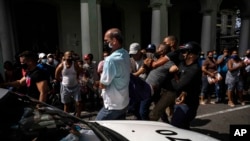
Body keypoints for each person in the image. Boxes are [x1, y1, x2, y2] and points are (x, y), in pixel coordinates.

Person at [95, 28, 131, 120]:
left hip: (113, 105)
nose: (105, 43)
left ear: (114, 41)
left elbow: (103, 84)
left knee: (97, 127)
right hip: (124, 102)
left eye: (106, 41)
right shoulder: (125, 53)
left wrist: (98, 82)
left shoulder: (110, 60)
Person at [170, 41, 202, 129]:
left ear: (191, 55)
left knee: (176, 127)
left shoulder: (194, 69)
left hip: (187, 105)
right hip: (181, 101)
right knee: (183, 127)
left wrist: (173, 74)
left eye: (184, 52)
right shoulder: (183, 64)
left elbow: (178, 86)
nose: (182, 54)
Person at [55, 51, 83, 117]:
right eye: (68, 56)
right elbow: (56, 75)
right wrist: (62, 81)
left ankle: (78, 117)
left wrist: (77, 78)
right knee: (66, 104)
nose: (70, 57)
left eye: (71, 56)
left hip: (75, 86)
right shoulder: (61, 65)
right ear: (64, 57)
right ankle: (66, 117)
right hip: (65, 87)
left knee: (78, 103)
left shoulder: (75, 64)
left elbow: (79, 71)